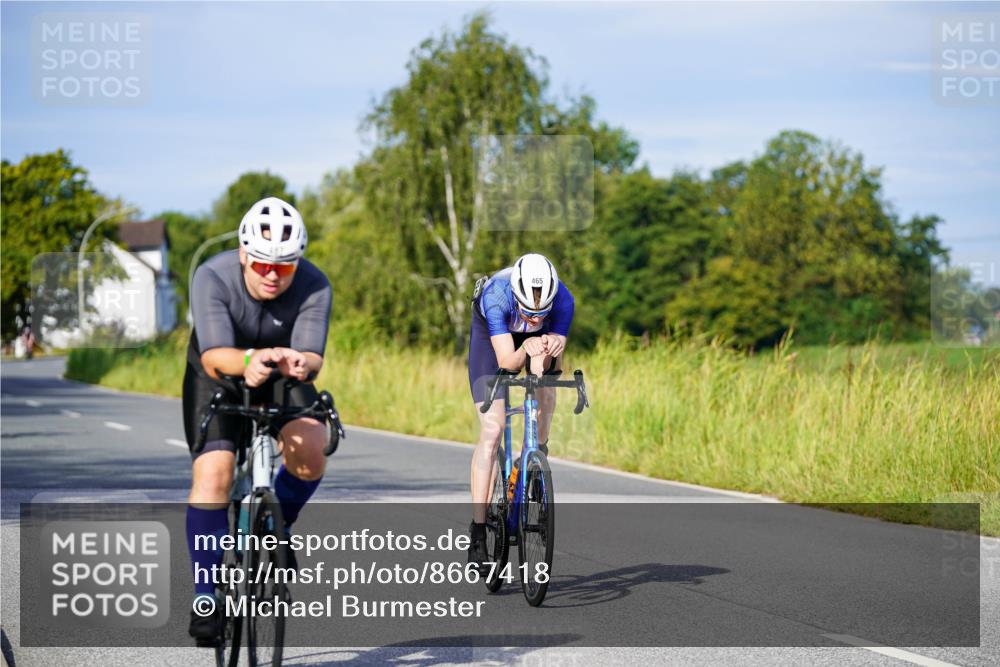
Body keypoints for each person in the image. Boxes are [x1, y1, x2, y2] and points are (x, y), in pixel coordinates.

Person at [183, 196, 332, 646]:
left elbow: (312, 357)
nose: (272, 275)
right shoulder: (212, 275)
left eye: (285, 267)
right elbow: (212, 356)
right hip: (220, 373)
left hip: (283, 371)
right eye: (263, 264)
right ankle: (207, 597)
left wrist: (298, 362)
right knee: (215, 472)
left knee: (312, 447)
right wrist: (248, 358)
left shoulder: (315, 285)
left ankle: (275, 526)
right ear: (244, 255)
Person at [466, 253, 574, 570]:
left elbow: (549, 369)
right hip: (493, 343)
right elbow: (506, 364)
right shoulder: (496, 297)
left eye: (542, 315)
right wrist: (526, 346)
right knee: (493, 430)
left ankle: (536, 454)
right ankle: (478, 531)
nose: (534, 320)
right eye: (528, 313)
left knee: (548, 387)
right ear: (517, 296)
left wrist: (551, 347)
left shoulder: (564, 301)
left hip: (534, 347)